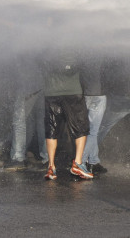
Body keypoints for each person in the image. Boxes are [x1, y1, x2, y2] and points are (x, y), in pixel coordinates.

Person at [42, 44, 93, 180]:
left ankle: (51, 167)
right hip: (73, 91)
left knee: (52, 128)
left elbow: (40, 61)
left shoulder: (46, 41)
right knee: (81, 127)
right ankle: (77, 163)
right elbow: (84, 62)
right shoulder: (76, 41)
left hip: (51, 91)